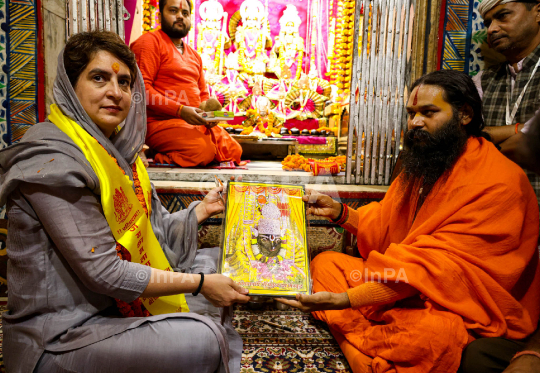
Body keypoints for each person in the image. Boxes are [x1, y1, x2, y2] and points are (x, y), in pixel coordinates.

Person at [0, 31, 250, 373]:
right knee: (204, 337)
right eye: (99, 78)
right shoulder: (53, 161)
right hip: (63, 335)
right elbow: (105, 272)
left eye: (124, 82)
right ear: (71, 87)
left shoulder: (116, 153)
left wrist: (202, 210)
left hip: (113, 311)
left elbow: (150, 232)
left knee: (212, 259)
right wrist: (202, 285)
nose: (115, 93)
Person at [277, 70, 540, 373]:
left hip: (456, 307)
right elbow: (387, 229)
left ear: (464, 114)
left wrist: (344, 300)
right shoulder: (426, 164)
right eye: (411, 113)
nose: (415, 122)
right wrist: (341, 213)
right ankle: (370, 348)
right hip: (404, 283)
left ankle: (356, 345)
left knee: (433, 336)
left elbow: (441, 271)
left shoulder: (499, 181)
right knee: (327, 265)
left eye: (428, 112)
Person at [130, 0, 242, 167]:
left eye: (185, 13)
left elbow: (203, 94)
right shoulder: (148, 43)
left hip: (193, 122)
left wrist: (210, 116)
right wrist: (180, 111)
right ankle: (160, 156)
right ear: (160, 16)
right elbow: (141, 91)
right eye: (173, 11)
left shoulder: (194, 55)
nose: (180, 17)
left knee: (234, 151)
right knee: (202, 152)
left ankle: (181, 150)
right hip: (159, 123)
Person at [474, 0, 540, 205]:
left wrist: (485, 142)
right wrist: (520, 131)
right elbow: (463, 137)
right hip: (496, 215)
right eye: (487, 23)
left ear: (538, 12)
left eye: (503, 16)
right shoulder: (482, 80)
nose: (492, 29)